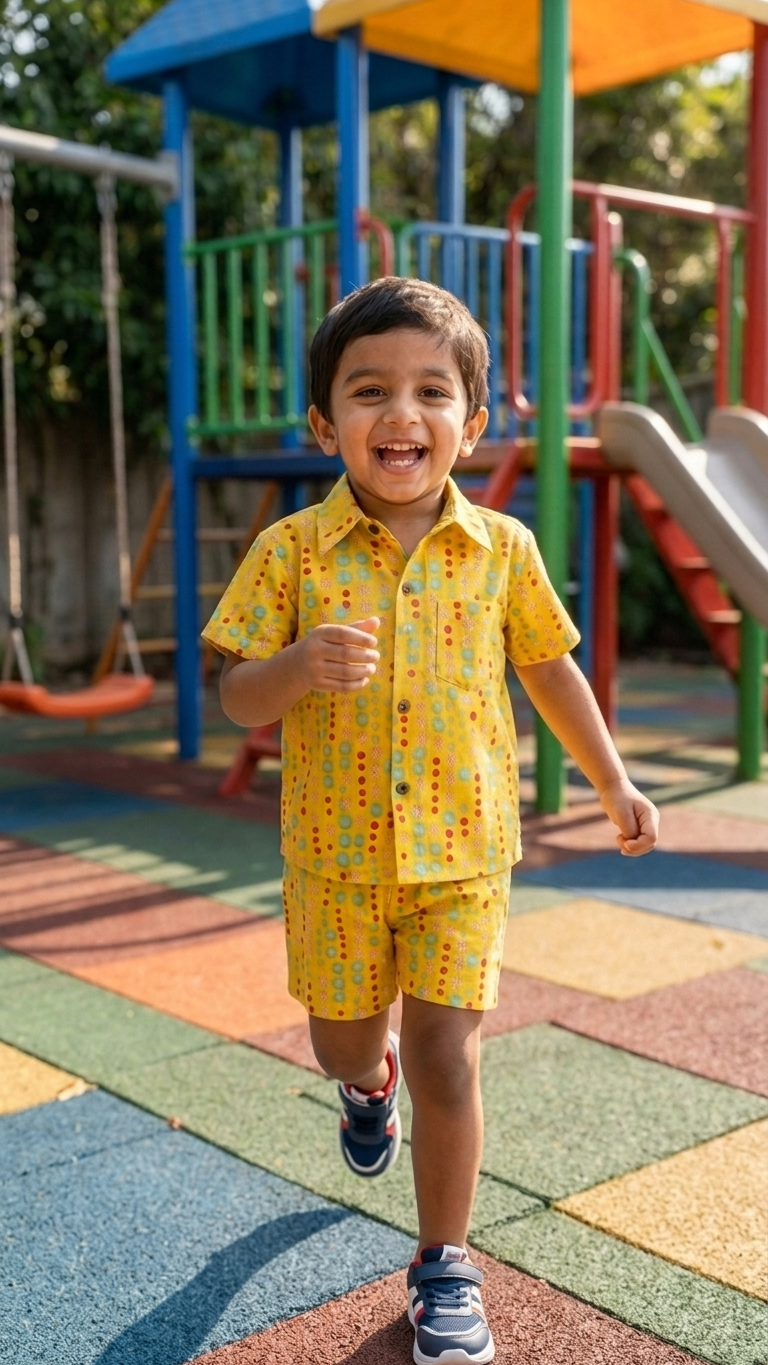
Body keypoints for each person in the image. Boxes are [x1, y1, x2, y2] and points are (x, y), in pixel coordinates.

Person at [203, 276, 659, 1365]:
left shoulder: (501, 549)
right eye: (368, 392)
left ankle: (445, 1264)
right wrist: (297, 668)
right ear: (326, 425)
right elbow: (235, 693)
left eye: (429, 391)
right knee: (342, 1042)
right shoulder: (293, 554)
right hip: (336, 857)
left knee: (452, 1049)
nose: (400, 416)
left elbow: (550, 672)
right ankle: (368, 1085)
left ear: (472, 419)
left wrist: (610, 780)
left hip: (464, 855)